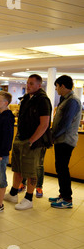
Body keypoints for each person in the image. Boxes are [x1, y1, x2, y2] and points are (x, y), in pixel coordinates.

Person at [4, 74, 52, 210]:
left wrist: (31, 141)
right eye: (27, 83)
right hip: (21, 138)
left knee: (31, 170)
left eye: (31, 83)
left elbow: (44, 124)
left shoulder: (43, 100)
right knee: (17, 167)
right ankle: (13, 192)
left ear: (39, 85)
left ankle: (29, 198)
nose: (28, 86)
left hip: (34, 141)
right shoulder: (26, 98)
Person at [50, 75, 81, 209]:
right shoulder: (65, 99)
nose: (56, 89)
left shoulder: (72, 101)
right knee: (60, 168)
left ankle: (67, 199)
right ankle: (62, 194)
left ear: (62, 86)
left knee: (63, 169)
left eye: (56, 86)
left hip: (66, 140)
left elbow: (65, 124)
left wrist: (52, 136)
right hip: (60, 139)